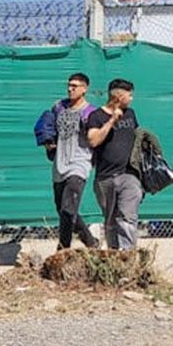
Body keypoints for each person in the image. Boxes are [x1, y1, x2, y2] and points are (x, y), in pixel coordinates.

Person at [87, 78, 143, 250]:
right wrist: (111, 120)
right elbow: (94, 141)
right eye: (129, 95)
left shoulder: (131, 114)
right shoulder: (96, 116)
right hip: (104, 178)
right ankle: (114, 259)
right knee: (110, 221)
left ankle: (128, 258)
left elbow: (138, 137)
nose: (131, 99)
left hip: (128, 175)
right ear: (118, 96)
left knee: (127, 218)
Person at [48, 73, 100, 250]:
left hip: (79, 164)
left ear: (84, 89)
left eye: (75, 86)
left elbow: (97, 138)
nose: (70, 88)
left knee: (68, 209)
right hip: (59, 165)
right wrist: (48, 142)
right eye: (69, 85)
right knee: (63, 210)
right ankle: (91, 243)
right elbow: (46, 126)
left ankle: (63, 249)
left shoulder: (90, 112)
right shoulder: (58, 107)